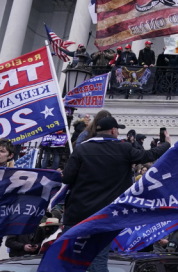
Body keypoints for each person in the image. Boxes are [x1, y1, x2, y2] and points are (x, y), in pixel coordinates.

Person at [63, 115, 170, 271]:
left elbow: (67, 178)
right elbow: (149, 155)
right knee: (98, 258)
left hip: (77, 214)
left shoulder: (81, 149)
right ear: (113, 130)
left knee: (73, 259)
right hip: (105, 215)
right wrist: (166, 144)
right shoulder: (123, 148)